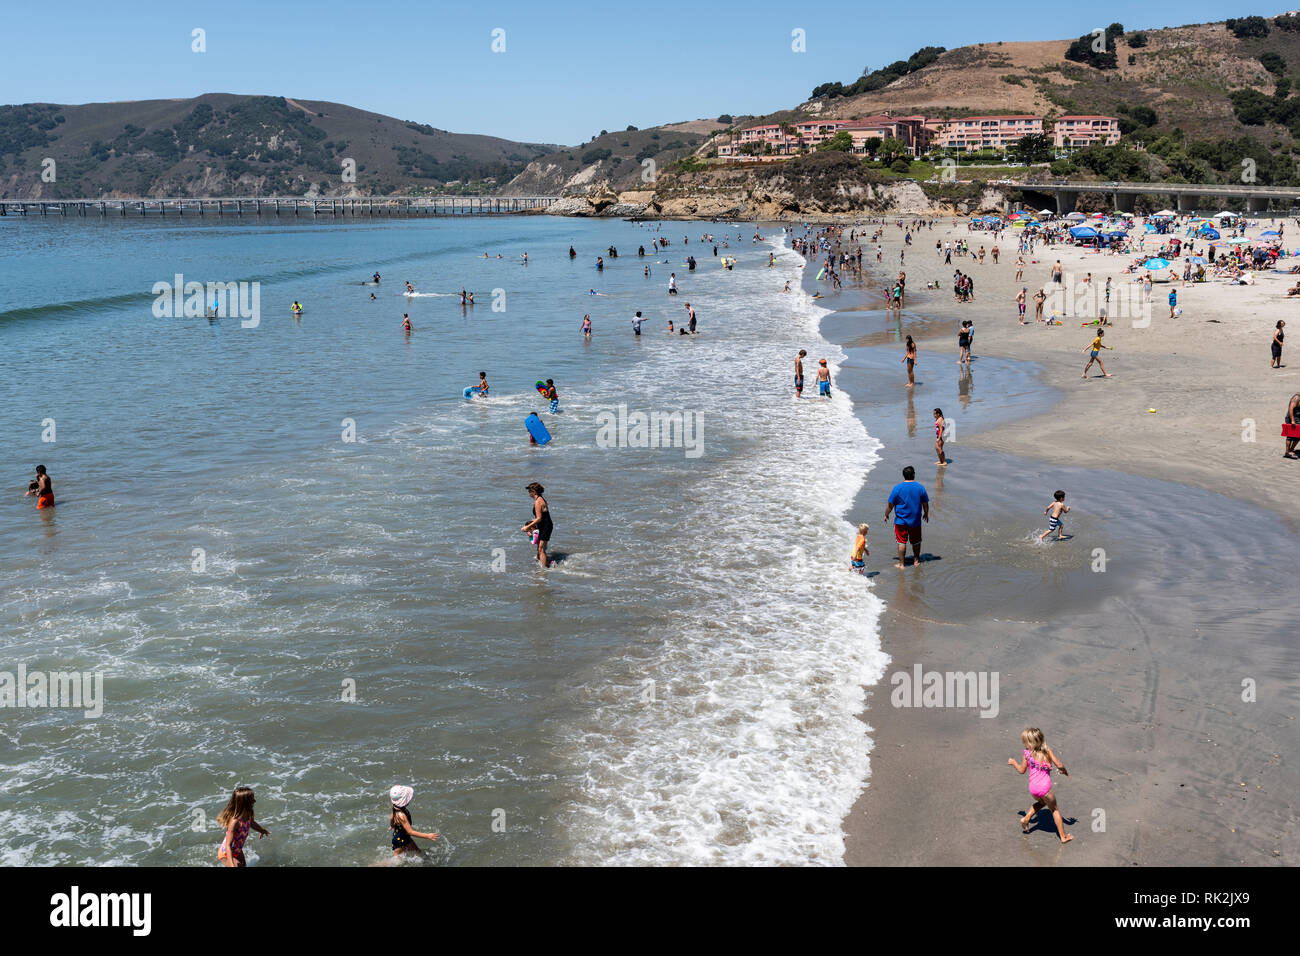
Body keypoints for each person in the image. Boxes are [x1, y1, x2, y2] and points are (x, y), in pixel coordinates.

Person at [1007, 728, 1073, 844]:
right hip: (1045, 789)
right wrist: (1065, 772)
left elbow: (1022, 770)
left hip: (1033, 788)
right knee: (1054, 809)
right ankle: (1063, 837)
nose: (1024, 745)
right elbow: (1059, 764)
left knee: (1042, 803)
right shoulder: (1047, 751)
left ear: (1030, 743)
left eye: (1025, 742)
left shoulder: (1026, 754)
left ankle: (1026, 818)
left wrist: (1014, 763)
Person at [885, 466, 929, 568]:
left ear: (903, 476)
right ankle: (916, 561)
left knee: (901, 542)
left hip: (901, 521)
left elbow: (890, 505)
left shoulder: (897, 488)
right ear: (913, 474)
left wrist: (886, 514)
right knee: (916, 541)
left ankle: (901, 564)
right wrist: (926, 513)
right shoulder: (920, 487)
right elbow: (925, 503)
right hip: (915, 521)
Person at [216, 786, 270, 867]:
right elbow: (228, 845)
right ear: (244, 803)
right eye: (252, 799)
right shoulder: (235, 822)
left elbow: (252, 823)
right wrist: (231, 864)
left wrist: (262, 830)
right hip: (226, 853)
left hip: (238, 850)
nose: (254, 801)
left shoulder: (248, 813)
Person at [388, 785, 438, 858]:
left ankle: (425, 861)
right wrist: (427, 836)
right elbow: (410, 832)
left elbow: (391, 817)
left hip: (404, 837)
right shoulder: (402, 815)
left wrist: (392, 825)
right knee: (395, 862)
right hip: (400, 841)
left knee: (418, 852)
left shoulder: (395, 807)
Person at [521, 482, 553, 568]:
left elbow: (539, 518)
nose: (529, 493)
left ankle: (544, 570)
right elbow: (541, 517)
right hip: (543, 525)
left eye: (529, 491)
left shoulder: (538, 502)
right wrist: (531, 527)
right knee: (539, 547)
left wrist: (527, 527)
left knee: (541, 549)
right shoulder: (541, 499)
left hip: (546, 526)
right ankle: (545, 563)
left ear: (534, 492)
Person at [1285, 392, 1300, 459]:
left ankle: (1291, 450)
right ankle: (1288, 452)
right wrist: (1292, 420)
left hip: (1298, 418)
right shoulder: (1296, 398)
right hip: (1292, 418)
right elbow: (1291, 409)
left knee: (1298, 436)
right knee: (1290, 436)